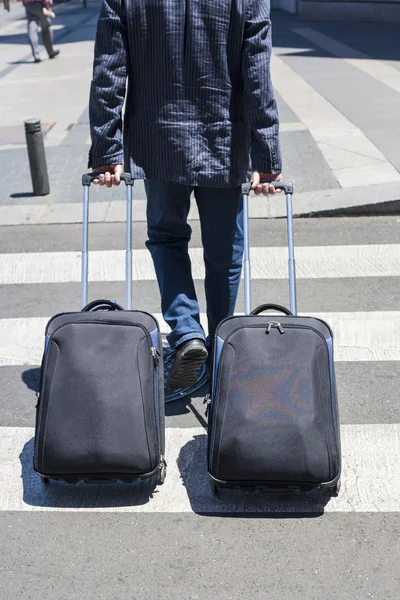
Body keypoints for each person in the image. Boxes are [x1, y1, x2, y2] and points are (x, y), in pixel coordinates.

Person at [89, 0, 282, 389]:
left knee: (167, 237)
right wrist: (267, 153)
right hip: (223, 137)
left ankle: (187, 331)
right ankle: (220, 343)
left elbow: (109, 68)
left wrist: (107, 147)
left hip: (158, 138)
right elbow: (257, 72)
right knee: (225, 251)